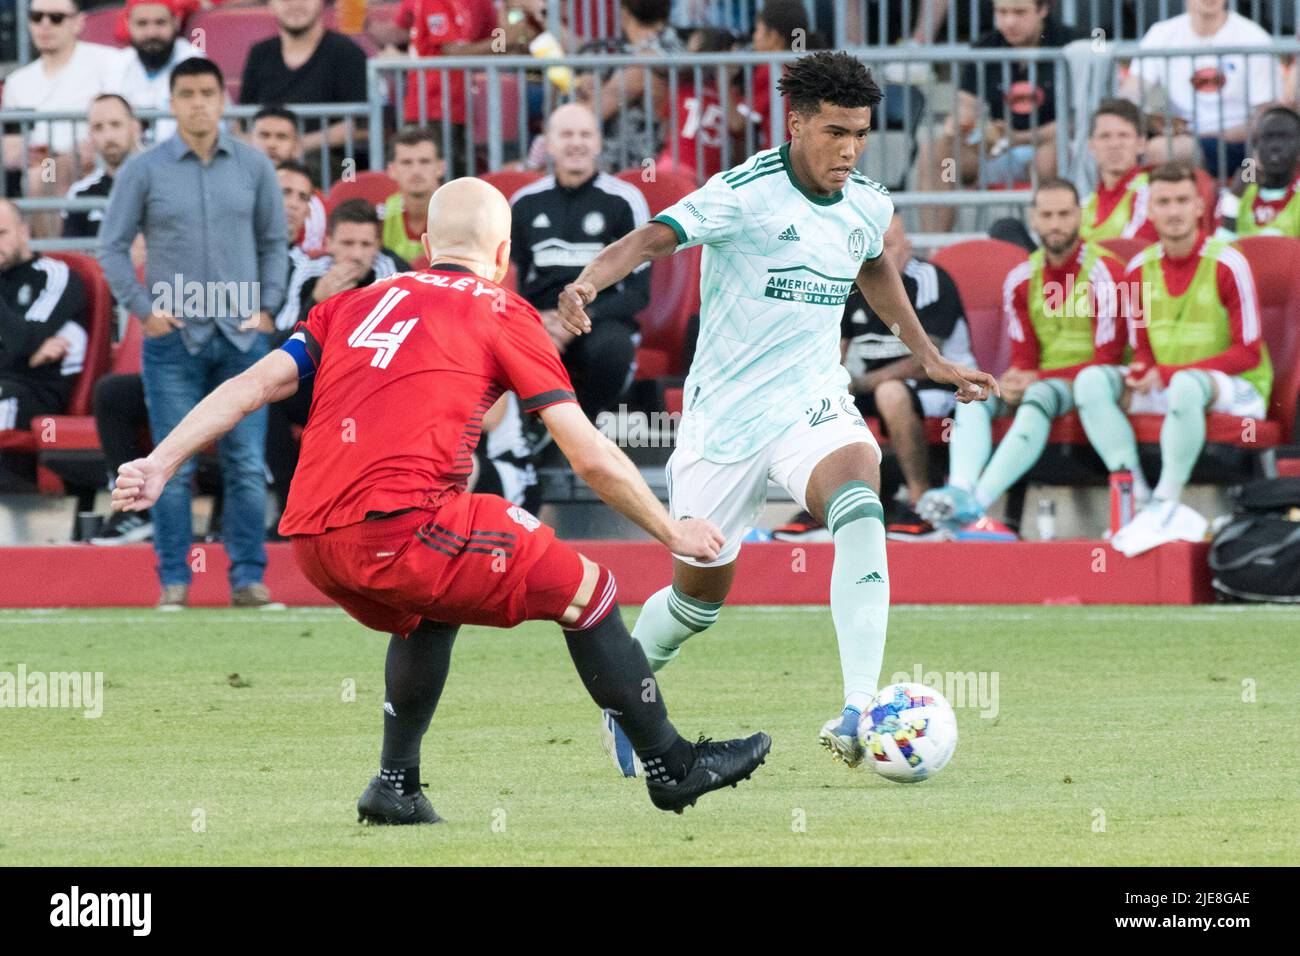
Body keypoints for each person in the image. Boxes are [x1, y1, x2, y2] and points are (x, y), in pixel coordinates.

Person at [110, 176, 772, 824]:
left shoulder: (349, 305)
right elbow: (587, 453)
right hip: (397, 528)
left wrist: (159, 461)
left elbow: (251, 386)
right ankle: (671, 765)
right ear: (506, 257)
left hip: (311, 539)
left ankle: (394, 786)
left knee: (431, 607)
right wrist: (669, 529)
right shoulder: (503, 309)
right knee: (590, 590)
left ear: (424, 245)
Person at [558, 51, 996, 776]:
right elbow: (654, 237)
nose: (851, 149)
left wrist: (927, 357)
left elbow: (873, 262)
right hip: (725, 419)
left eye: (860, 133)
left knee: (860, 500)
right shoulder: (743, 193)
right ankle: (627, 700)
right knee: (699, 600)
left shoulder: (865, 202)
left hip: (814, 402)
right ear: (796, 124)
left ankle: (858, 709)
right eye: (835, 132)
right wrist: (586, 282)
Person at [99, 57, 288, 610]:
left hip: (244, 340)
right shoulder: (144, 169)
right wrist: (142, 309)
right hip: (172, 343)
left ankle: (249, 581)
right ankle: (174, 585)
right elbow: (110, 247)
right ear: (172, 101)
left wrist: (269, 307)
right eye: (187, 94)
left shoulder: (255, 167)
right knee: (168, 465)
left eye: (208, 91)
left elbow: (275, 242)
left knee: (248, 464)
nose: (199, 102)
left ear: (222, 99)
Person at [1074, 160, 1272, 556]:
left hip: (1240, 388)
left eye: (1183, 200)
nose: (1174, 210)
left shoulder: (1230, 262)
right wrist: (1138, 375)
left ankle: (1167, 500)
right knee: (1091, 382)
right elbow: (1142, 349)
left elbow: (1248, 353)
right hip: (1174, 385)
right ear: (1150, 211)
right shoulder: (1137, 269)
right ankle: (1139, 496)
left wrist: (1166, 373)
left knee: (1184, 384)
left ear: (1200, 207)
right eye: (1164, 202)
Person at [919, 179, 1126, 541]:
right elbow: (1025, 358)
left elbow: (1107, 357)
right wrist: (1014, 379)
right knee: (974, 392)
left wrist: (1034, 378)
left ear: (1079, 216)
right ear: (1033, 219)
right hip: (1043, 378)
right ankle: (960, 490)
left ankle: (975, 506)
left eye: (1064, 214)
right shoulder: (1020, 277)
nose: (1056, 223)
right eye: (1047, 215)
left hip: (1096, 383)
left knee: (1038, 395)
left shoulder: (1106, 272)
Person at [776, 213, 974, 542]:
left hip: (945, 390)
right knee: (818, 400)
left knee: (890, 393)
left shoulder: (929, 280)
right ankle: (821, 505)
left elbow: (928, 360)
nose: (880, 255)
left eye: (890, 246)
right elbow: (831, 352)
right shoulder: (852, 285)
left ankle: (920, 504)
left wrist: (862, 383)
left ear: (908, 249)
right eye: (873, 247)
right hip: (878, 385)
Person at [509, 104, 650, 420]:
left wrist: (576, 317)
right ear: (548, 143)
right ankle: (526, 440)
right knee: (509, 348)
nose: (577, 142)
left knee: (612, 352)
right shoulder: (524, 203)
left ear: (599, 142)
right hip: (540, 318)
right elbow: (508, 281)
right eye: (567, 134)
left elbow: (638, 293)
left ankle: (578, 433)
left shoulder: (625, 200)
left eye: (585, 134)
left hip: (600, 316)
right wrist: (537, 320)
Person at [917, 0, 1075, 234]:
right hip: (1001, 149)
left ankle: (1051, 250)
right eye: (1002, 12)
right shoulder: (985, 46)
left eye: (1019, 12)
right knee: (938, 154)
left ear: (1042, 10)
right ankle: (936, 247)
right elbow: (965, 107)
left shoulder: (1071, 43)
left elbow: (1081, 122)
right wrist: (961, 126)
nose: (1009, 21)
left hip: (1055, 152)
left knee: (1049, 156)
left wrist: (1019, 137)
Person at [2, 0, 121, 235]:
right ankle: (57, 258)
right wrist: (21, 152)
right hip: (47, 161)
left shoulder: (109, 62)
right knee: (42, 175)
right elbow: (10, 141)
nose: (45, 25)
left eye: (56, 18)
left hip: (100, 156)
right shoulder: (18, 81)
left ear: (78, 22)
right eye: (37, 17)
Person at [1126, 0, 1281, 178]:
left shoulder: (1254, 37)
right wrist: (1146, 120)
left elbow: (1267, 115)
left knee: (1159, 150)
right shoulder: (1161, 34)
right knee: (1124, 142)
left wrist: (1206, 135)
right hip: (1183, 136)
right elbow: (1132, 90)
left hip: (1238, 141)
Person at [0, 199, 89, 491]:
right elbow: (23, 346)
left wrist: (23, 348)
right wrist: (22, 348)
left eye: (1, 233)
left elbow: (24, 341)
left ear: (24, 232)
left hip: (34, 392)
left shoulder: (54, 275)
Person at [239, 0, 369, 186]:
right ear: (270, 5)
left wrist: (298, 145)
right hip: (267, 156)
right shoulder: (260, 53)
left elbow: (361, 127)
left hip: (326, 162)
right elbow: (242, 122)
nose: (295, 4)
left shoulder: (347, 53)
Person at [396, 0, 512, 178]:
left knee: (457, 179)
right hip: (431, 106)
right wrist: (507, 37)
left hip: (458, 107)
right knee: (435, 181)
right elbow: (453, 51)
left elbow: (499, 45)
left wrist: (506, 10)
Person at [574, 0, 685, 171]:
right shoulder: (674, 46)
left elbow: (591, 113)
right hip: (642, 157)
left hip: (638, 164)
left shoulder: (646, 60)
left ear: (624, 13)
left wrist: (577, 89)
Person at [108, 0, 203, 145]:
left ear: (176, 23)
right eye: (142, 23)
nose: (151, 33)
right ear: (128, 24)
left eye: (160, 23)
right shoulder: (118, 64)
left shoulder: (194, 61)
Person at [63, 95, 142, 240]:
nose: (108, 136)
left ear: (135, 127)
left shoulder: (162, 183)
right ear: (90, 135)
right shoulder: (80, 193)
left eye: (116, 124)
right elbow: (73, 255)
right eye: (98, 127)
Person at [252, 107, 327, 255]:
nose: (272, 144)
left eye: (281, 137)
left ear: (297, 147)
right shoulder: (232, 190)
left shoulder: (315, 205)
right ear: (250, 141)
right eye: (264, 135)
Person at [1217, 106, 1300, 239]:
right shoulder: (1237, 194)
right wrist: (1233, 199)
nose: (1275, 145)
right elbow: (1217, 256)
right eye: (1268, 137)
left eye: (1284, 137)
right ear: (1256, 145)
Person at [381, 127, 446, 265]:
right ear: (392, 170)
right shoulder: (379, 218)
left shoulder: (460, 214)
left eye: (424, 161)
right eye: (406, 163)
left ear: (441, 167)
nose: (416, 171)